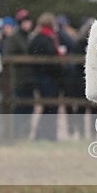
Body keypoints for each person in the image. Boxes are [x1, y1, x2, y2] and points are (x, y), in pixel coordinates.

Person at [28, 12, 61, 140]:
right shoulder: (47, 39)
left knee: (47, 107)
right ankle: (46, 135)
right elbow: (51, 61)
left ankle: (41, 135)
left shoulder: (36, 38)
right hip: (48, 78)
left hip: (40, 77)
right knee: (50, 107)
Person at [2, 12, 35, 138]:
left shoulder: (30, 37)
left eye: (28, 21)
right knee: (19, 108)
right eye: (25, 22)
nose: (27, 24)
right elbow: (7, 55)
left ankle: (25, 134)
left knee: (29, 108)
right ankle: (16, 134)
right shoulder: (14, 38)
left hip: (29, 79)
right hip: (18, 79)